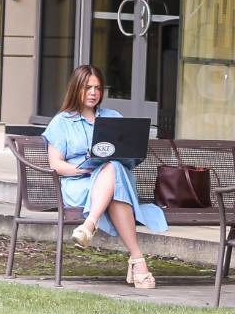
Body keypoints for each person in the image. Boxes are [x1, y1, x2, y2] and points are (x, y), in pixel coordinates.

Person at [42, 65, 166, 290]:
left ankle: (89, 225)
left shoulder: (113, 117)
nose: (93, 92)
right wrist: (84, 169)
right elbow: (56, 164)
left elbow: (130, 158)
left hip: (115, 180)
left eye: (97, 88)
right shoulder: (61, 122)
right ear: (76, 89)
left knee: (113, 166)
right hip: (80, 184)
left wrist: (127, 155)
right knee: (112, 172)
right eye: (87, 87)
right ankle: (137, 260)